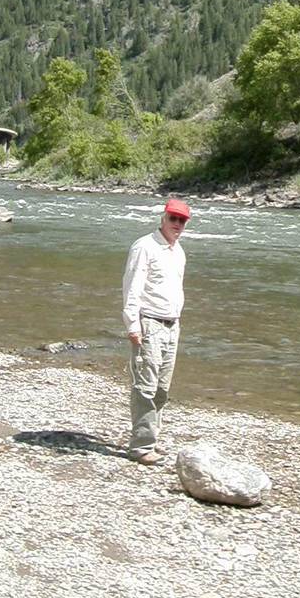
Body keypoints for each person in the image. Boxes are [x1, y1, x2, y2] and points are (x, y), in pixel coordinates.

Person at [122, 197, 191, 464]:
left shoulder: (179, 251)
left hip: (172, 325)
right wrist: (132, 325)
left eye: (181, 220)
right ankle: (140, 447)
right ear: (162, 218)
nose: (177, 224)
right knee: (146, 388)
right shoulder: (144, 247)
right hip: (149, 323)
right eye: (172, 218)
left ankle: (151, 438)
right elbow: (132, 287)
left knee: (162, 389)